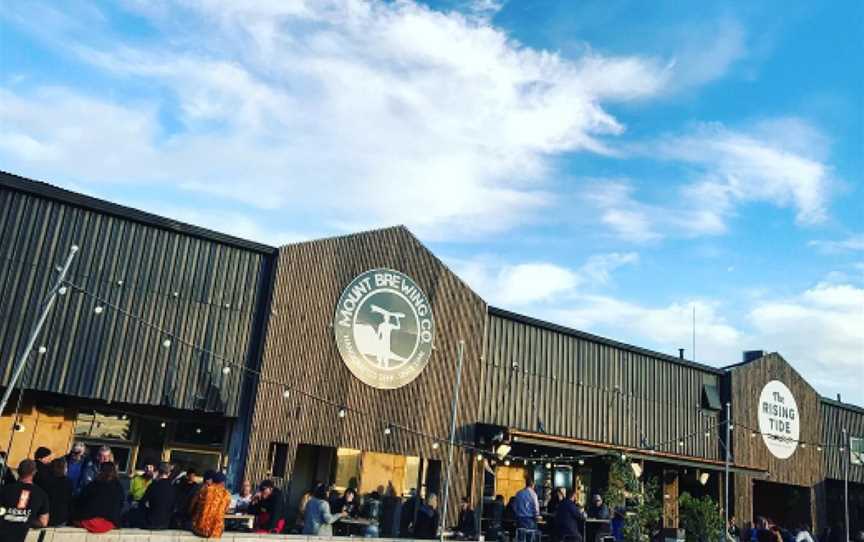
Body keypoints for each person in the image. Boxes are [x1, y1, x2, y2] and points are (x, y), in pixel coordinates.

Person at [0, 459, 49, 542]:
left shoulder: (5, 490)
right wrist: (26, 519)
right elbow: (43, 522)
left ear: (18, 471)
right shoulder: (41, 494)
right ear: (34, 472)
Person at [74, 461, 125, 533]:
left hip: (91, 521)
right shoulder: (119, 487)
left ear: (101, 471)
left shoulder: (94, 485)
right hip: (111, 523)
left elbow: (81, 500)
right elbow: (121, 504)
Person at [191, 471, 232, 538]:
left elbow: (193, 504)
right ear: (223, 482)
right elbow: (226, 510)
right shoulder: (226, 494)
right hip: (216, 530)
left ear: (213, 480)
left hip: (200, 528)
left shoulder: (205, 489)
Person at [140, 462, 176, 530]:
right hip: (165, 524)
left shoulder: (153, 485)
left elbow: (142, 503)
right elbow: (173, 507)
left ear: (158, 472)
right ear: (169, 473)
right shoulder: (173, 488)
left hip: (150, 522)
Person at [41, 458, 73, 527]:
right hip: (59, 518)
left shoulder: (46, 481)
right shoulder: (68, 482)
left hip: (49, 517)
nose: (66, 469)